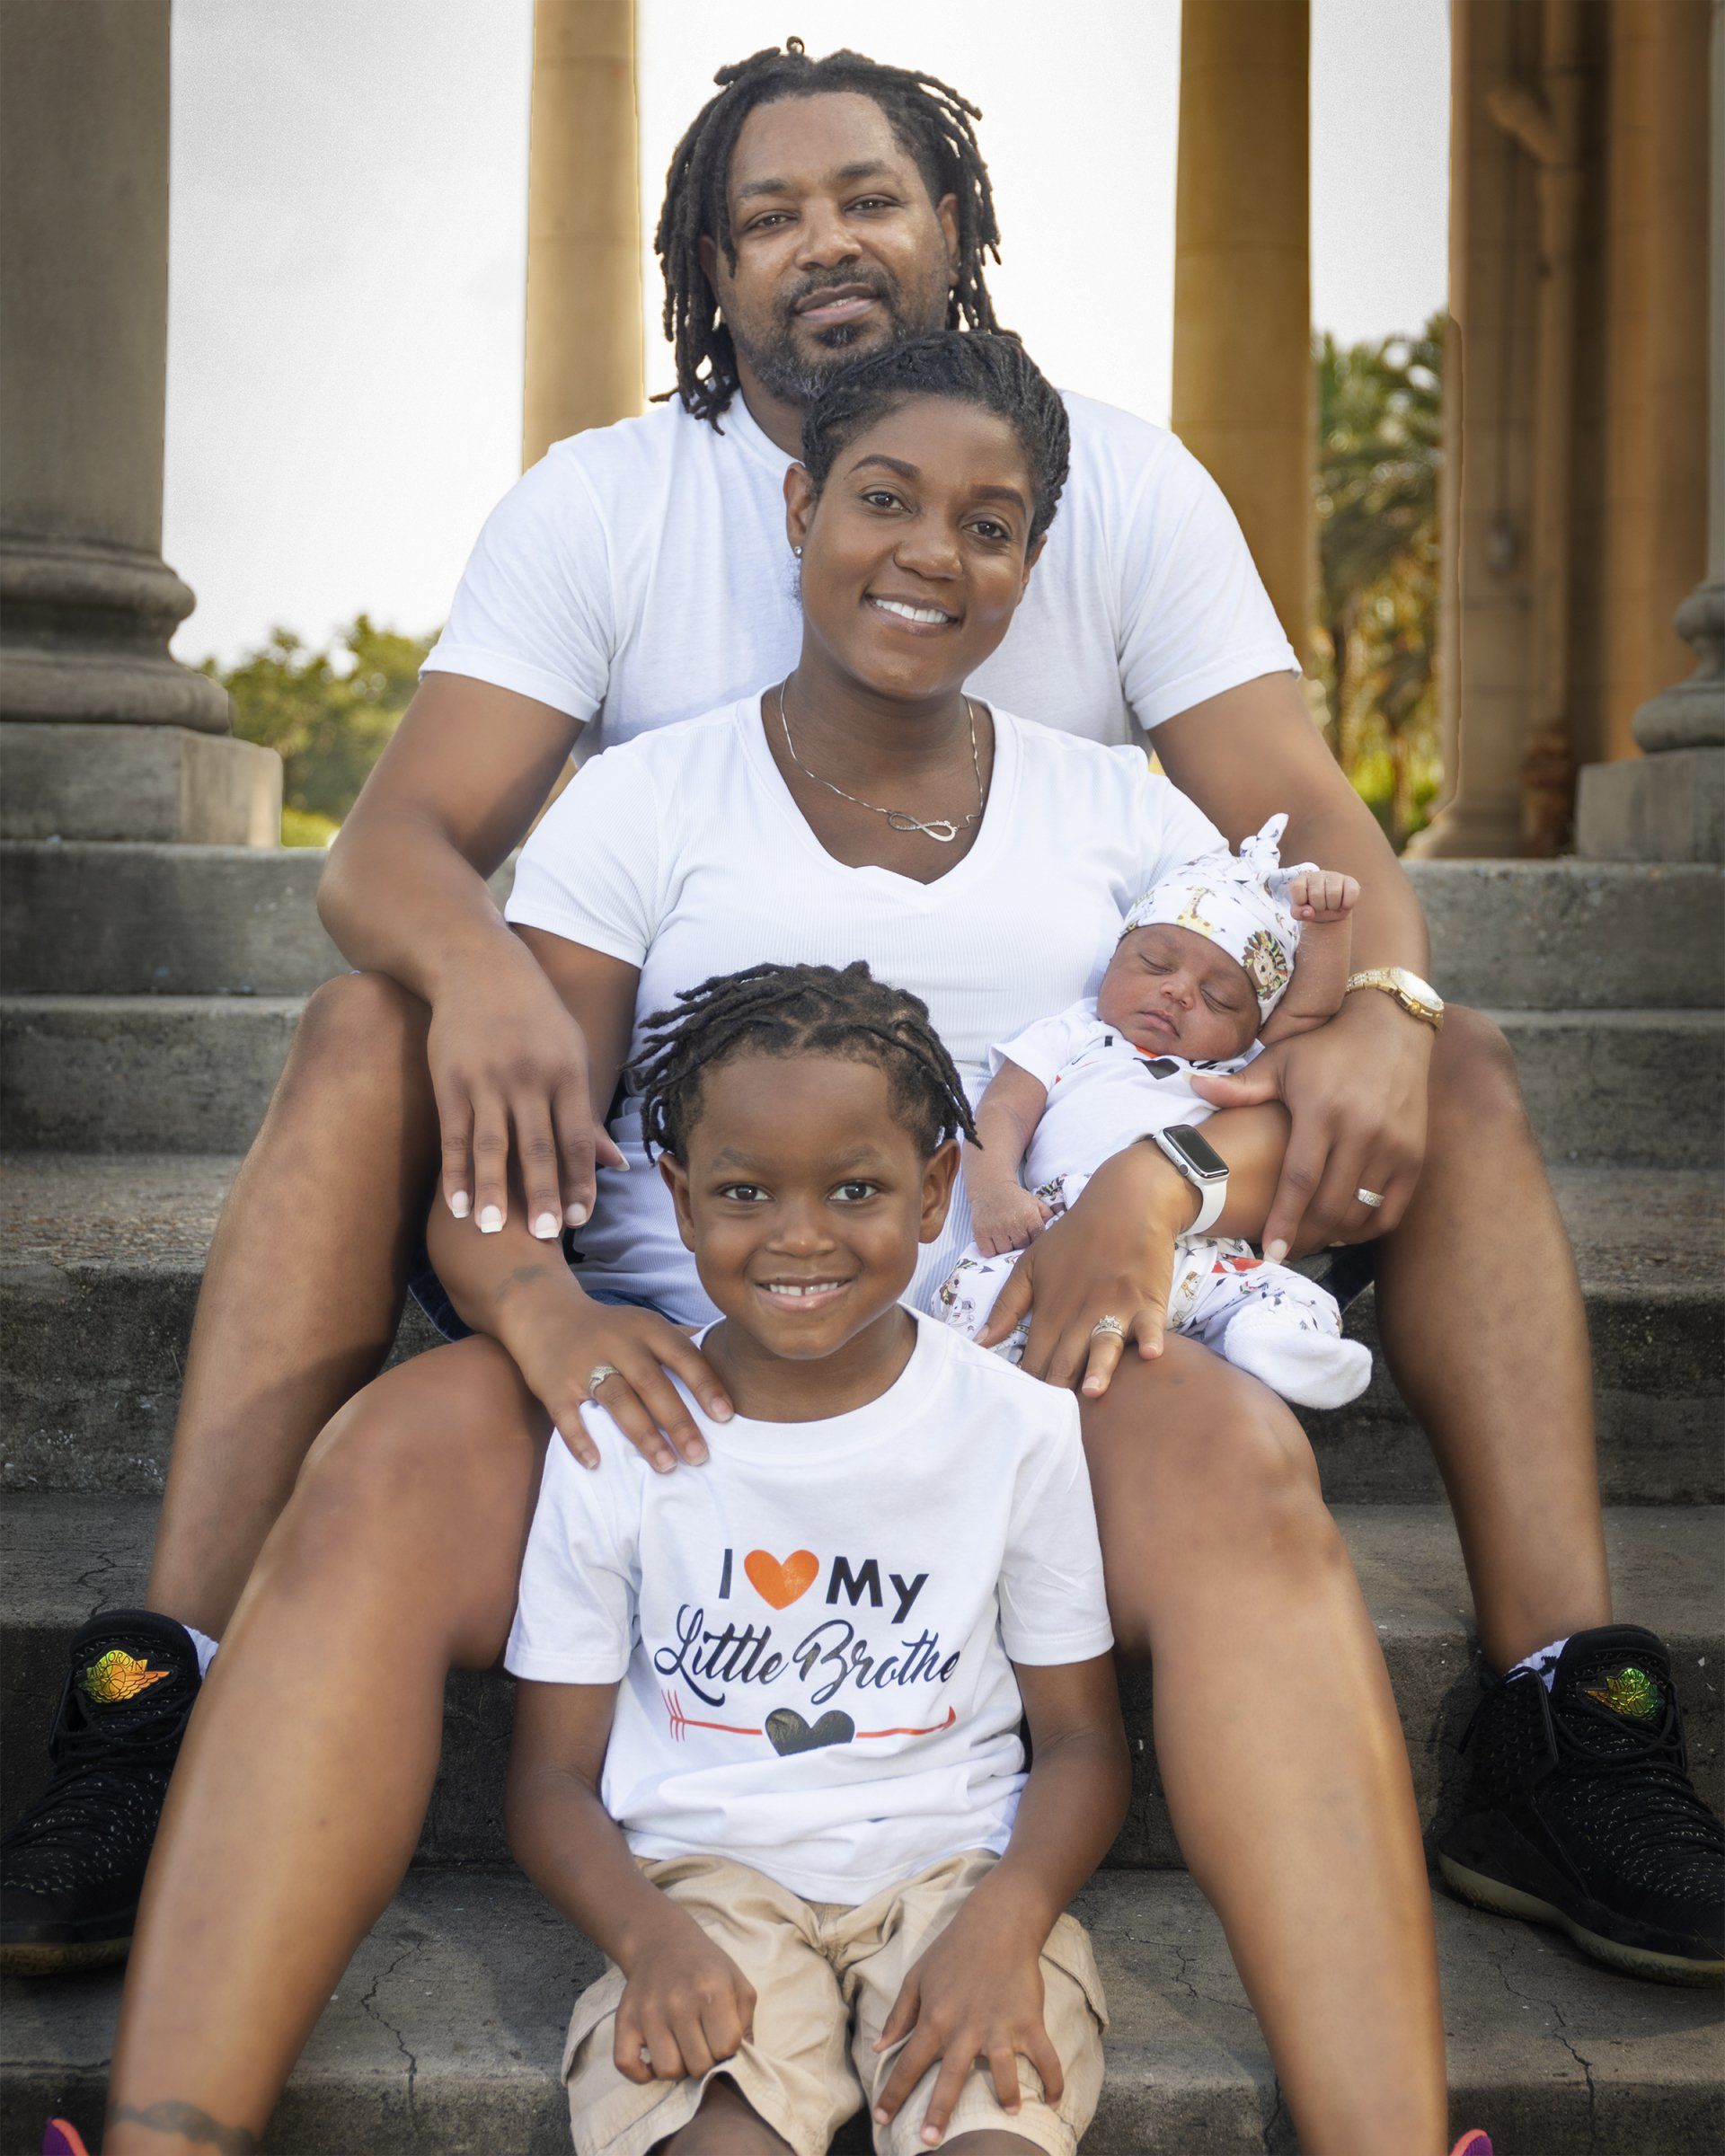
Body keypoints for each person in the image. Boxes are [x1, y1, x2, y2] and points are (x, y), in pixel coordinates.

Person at [5, 36, 1718, 1996]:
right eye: (767, 215)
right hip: (701, 1202)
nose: (821, 241)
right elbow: (394, 847)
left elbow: (1310, 821)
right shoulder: (611, 506)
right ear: (711, 274)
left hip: (1048, 1189)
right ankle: (167, 1693)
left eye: (868, 197)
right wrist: (478, 963)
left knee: (1464, 1068)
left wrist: (1389, 1001)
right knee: (352, 1031)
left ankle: (1561, 1716)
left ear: (955, 225)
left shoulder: (1121, 482)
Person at [97, 333, 1456, 2156]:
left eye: (990, 524)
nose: (929, 552)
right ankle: (167, 2131)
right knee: (384, 1459)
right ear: (800, 509)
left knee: (1237, 1454)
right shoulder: (646, 801)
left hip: (1001, 1361)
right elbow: (502, 1157)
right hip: (677, 1375)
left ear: (1032, 566)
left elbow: (1285, 1077)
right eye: (884, 499)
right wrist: (539, 1315)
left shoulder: (1124, 817)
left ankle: (1392, 2140)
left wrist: (1154, 1188)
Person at [509, 959, 1129, 2156]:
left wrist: (1009, 1924)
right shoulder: (622, 1436)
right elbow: (546, 1782)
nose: (800, 1237)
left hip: (961, 1879)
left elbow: (1087, 1741)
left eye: (855, 1188)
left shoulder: (1016, 1428)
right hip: (704, 1888)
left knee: (990, 2130)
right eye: (744, 1193)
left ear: (937, 1186)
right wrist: (647, 1939)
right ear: (682, 1202)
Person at [938, 814, 1372, 1410]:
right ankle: (976, 1392)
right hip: (1058, 1233)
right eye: (1156, 964)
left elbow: (1312, 1011)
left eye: (1219, 997)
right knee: (975, 1296)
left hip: (1198, 1250)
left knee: (1291, 1299)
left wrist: (1329, 925)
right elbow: (1003, 1109)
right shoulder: (1075, 1033)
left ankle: (1273, 1346)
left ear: (1255, 1026)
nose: (1179, 992)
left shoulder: (1241, 1063)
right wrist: (994, 1192)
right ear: (1114, 958)